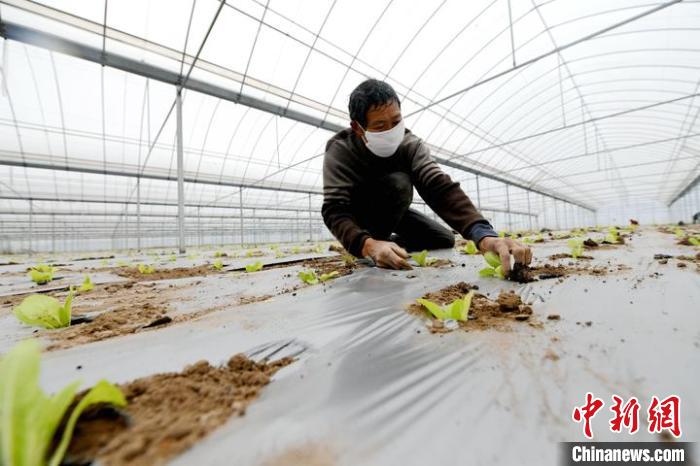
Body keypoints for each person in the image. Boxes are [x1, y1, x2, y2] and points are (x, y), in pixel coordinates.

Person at [321, 78, 532, 271]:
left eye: (396, 121)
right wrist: (366, 244)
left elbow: (438, 186)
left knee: (443, 239)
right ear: (357, 128)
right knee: (398, 182)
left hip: (395, 212)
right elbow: (334, 209)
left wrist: (484, 235)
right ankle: (373, 243)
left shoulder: (410, 145)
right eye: (380, 126)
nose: (391, 131)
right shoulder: (341, 149)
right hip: (359, 217)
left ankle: (390, 245)